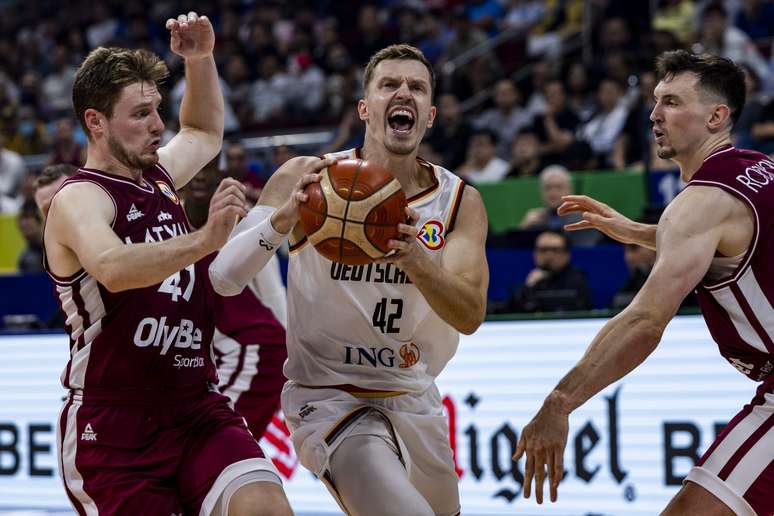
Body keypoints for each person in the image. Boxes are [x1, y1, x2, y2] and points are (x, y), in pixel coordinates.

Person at [210, 44, 489, 516]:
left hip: (412, 394)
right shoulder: (309, 177)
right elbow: (223, 278)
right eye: (389, 85)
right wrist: (284, 217)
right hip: (328, 397)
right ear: (365, 108)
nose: (404, 93)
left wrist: (417, 261)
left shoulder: (459, 201)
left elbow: (469, 315)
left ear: (430, 115)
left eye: (417, 88)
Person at [42, 12, 292, 515]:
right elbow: (112, 267)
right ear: (96, 121)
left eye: (157, 109)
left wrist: (199, 60)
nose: (158, 125)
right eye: (140, 114)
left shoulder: (157, 176)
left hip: (195, 404)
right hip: (114, 425)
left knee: (266, 505)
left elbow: (201, 129)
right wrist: (205, 239)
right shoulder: (81, 198)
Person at [517, 50, 774, 515]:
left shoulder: (699, 203)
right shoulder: (757, 166)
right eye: (656, 101)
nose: (654, 114)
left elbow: (645, 322)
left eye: (672, 102)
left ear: (717, 116)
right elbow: (738, 239)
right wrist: (640, 231)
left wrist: (560, 401)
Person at [181, 163, 288, 441]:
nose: (201, 176)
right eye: (195, 170)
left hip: (243, 350)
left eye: (210, 169)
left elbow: (273, 294)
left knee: (212, 445)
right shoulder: (166, 221)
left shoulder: (242, 222)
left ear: (222, 177)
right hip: (199, 357)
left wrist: (293, 360)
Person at [506, 230, 592, 313]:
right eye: (543, 250)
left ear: (567, 254)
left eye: (555, 250)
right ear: (535, 253)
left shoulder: (577, 280)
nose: (549, 255)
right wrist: (528, 287)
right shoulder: (527, 280)